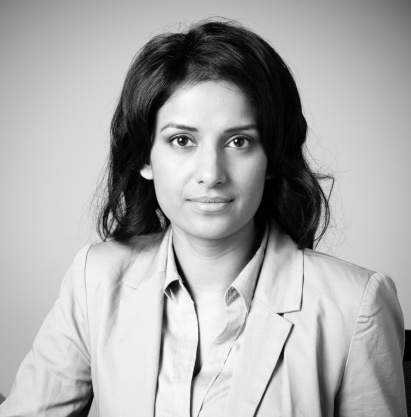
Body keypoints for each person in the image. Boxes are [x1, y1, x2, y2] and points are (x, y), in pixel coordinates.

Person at [0, 18, 407, 417]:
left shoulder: (356, 305)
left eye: (238, 141)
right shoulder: (95, 279)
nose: (210, 174)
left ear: (270, 158)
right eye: (182, 141)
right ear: (144, 157)